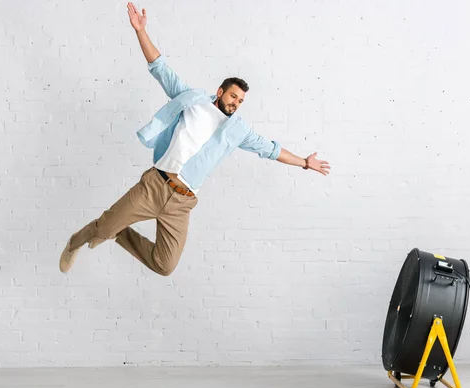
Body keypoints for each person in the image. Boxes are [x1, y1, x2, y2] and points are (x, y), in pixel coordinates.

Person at [59, 2, 331, 275]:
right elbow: (160, 68)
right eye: (233, 95)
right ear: (221, 91)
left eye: (241, 100)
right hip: (156, 185)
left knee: (164, 265)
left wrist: (305, 163)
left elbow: (270, 150)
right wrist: (141, 31)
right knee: (103, 227)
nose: (236, 102)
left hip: (183, 202)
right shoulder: (193, 99)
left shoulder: (239, 130)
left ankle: (119, 233)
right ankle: (76, 241)